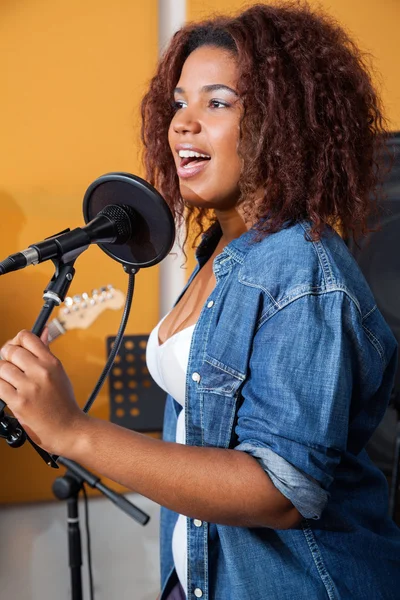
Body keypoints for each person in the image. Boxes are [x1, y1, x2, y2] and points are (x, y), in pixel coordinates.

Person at [1, 3, 400, 599]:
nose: (183, 123)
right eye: (178, 103)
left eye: (217, 102)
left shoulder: (301, 269)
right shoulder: (221, 249)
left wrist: (75, 432)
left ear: (281, 123)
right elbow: (203, 435)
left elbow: (281, 491)